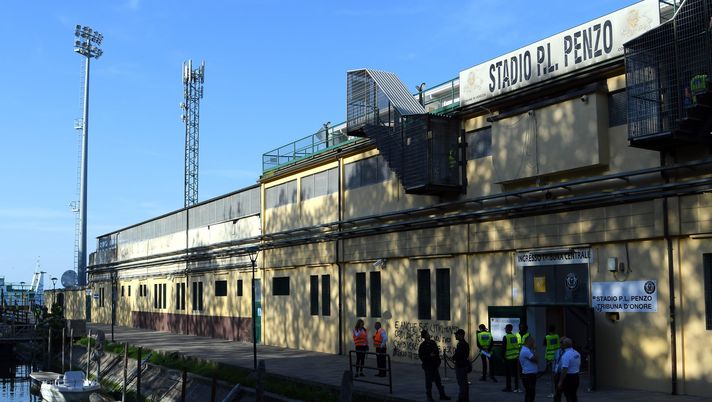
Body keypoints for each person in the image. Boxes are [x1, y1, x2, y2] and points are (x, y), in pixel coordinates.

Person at [418, 330, 451, 401]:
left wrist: (438, 362)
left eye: (428, 334)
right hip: (428, 366)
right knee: (429, 382)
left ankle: (442, 395)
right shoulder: (422, 346)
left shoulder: (433, 343)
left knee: (438, 382)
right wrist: (429, 356)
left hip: (434, 365)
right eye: (427, 334)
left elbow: (437, 352)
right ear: (424, 336)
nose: (428, 335)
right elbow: (421, 356)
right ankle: (429, 397)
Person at [557, 337, 581, 402]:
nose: (560, 345)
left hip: (569, 378)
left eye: (561, 343)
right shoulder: (577, 353)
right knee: (573, 395)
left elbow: (564, 369)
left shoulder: (566, 355)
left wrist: (560, 381)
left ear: (565, 345)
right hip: (576, 376)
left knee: (568, 396)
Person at [453, 328, 470, 402]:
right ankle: (465, 398)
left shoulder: (461, 344)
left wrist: (454, 357)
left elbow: (459, 355)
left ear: (460, 335)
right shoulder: (463, 344)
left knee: (462, 383)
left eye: (456, 334)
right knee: (463, 383)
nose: (455, 336)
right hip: (462, 365)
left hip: (461, 366)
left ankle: (462, 399)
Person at [502, 323, 520, 393]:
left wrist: (503, 358)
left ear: (507, 329)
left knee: (508, 374)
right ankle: (516, 386)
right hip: (515, 357)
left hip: (508, 358)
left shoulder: (506, 337)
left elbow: (504, 348)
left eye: (505, 328)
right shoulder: (515, 336)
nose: (505, 330)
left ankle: (508, 387)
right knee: (516, 373)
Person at [519, 336, 538, 402]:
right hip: (528, 375)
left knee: (530, 393)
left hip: (529, 375)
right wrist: (535, 349)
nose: (534, 343)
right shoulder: (526, 351)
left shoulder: (528, 350)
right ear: (529, 342)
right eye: (533, 341)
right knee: (530, 394)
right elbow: (536, 359)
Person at [544, 325, 561, 397]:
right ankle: (557, 390)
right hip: (557, 357)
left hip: (550, 357)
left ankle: (553, 392)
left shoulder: (546, 337)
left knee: (552, 375)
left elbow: (544, 345)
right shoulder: (557, 336)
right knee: (556, 373)